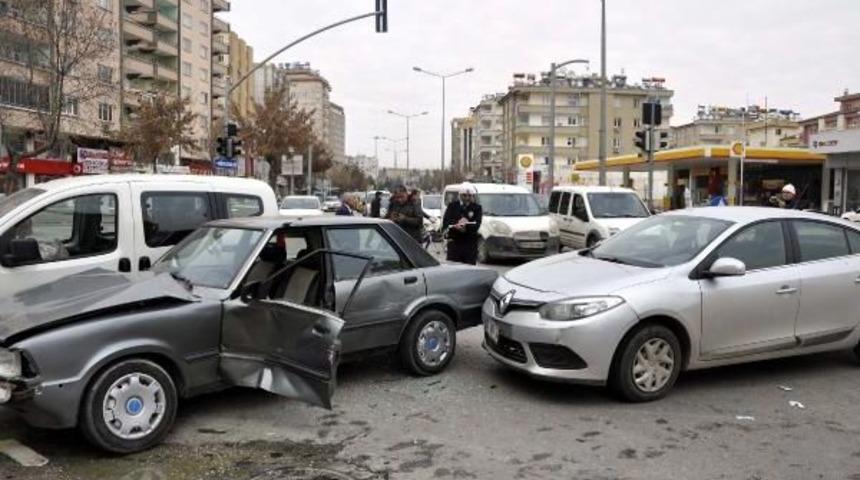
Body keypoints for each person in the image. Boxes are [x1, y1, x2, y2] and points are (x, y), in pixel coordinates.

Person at [443, 183, 483, 265]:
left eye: (469, 196)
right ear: (460, 195)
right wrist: (456, 225)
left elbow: (477, 224)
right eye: (464, 195)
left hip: (469, 246)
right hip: (455, 245)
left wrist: (465, 227)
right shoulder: (452, 206)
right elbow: (446, 222)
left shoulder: (477, 208)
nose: (467, 198)